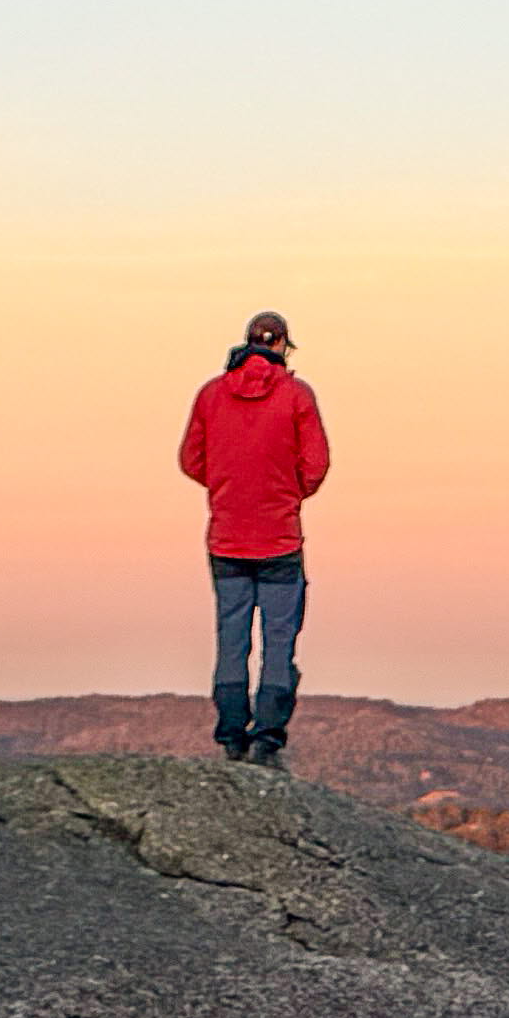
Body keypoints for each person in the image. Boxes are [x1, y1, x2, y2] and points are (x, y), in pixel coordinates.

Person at [177, 309, 331, 766]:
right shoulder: (297, 395)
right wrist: (287, 492)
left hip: (226, 538)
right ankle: (267, 737)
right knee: (279, 640)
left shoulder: (210, 395)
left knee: (232, 637)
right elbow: (316, 464)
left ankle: (230, 736)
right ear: (283, 346)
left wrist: (227, 487)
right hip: (280, 538)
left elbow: (191, 460)